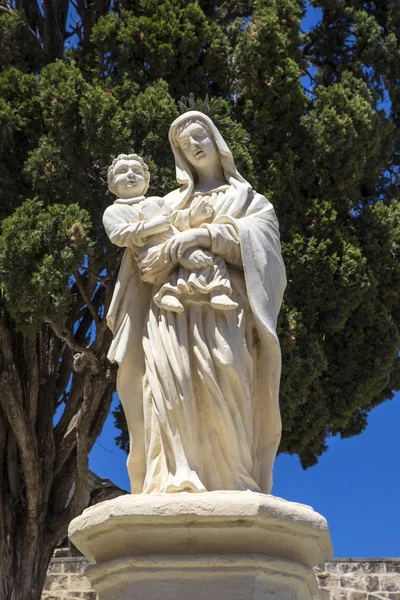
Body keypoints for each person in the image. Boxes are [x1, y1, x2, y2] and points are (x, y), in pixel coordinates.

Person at [105, 112, 287, 495]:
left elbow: (264, 255)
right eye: (186, 145)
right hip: (169, 314)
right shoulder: (166, 203)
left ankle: (234, 479)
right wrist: (174, 250)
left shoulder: (250, 200)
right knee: (173, 386)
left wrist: (204, 236)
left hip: (226, 311)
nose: (195, 147)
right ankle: (176, 475)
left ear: (216, 140)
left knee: (228, 371)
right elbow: (145, 261)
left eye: (200, 137)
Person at [104, 153, 239, 314]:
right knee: (184, 257)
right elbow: (119, 235)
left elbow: (176, 218)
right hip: (151, 257)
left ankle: (217, 291)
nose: (131, 174)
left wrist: (194, 216)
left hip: (176, 245)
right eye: (123, 171)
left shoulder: (156, 202)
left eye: (137, 171)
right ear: (112, 183)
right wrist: (150, 227)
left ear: (146, 181)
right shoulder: (114, 211)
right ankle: (168, 291)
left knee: (210, 259)